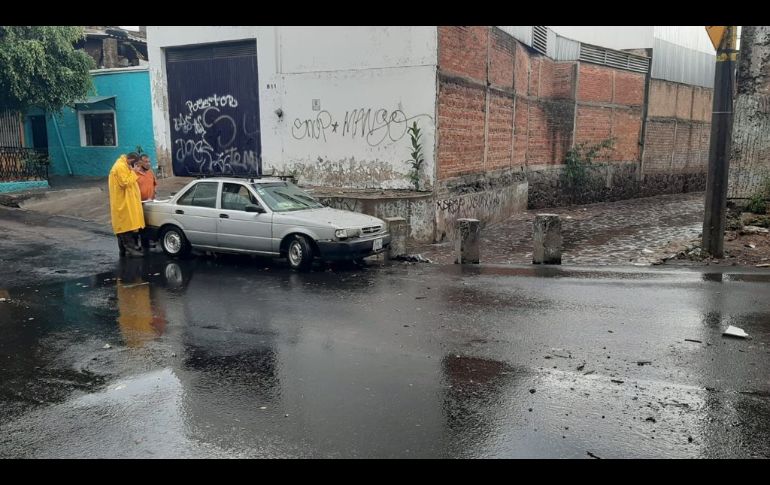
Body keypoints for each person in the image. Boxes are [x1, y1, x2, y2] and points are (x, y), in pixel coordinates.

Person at [109, 152, 145, 257]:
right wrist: (133, 172)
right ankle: (130, 249)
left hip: (127, 201)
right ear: (131, 160)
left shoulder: (124, 165)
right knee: (126, 227)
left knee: (128, 225)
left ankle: (124, 249)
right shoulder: (120, 167)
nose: (136, 166)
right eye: (136, 164)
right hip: (123, 202)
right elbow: (125, 183)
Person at [136, 154, 158, 251]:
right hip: (138, 204)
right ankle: (135, 244)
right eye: (146, 162)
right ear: (140, 162)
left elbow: (155, 184)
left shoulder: (150, 172)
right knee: (137, 226)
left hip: (149, 203)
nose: (148, 163)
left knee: (147, 225)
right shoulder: (135, 174)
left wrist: (154, 195)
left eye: (149, 161)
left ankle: (146, 244)